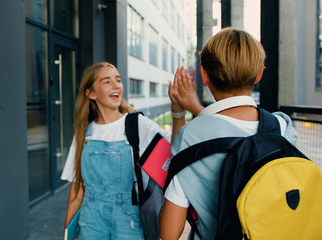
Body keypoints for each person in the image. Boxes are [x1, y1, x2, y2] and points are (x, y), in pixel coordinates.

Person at [159, 27, 300, 239]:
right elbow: (238, 135)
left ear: (204, 75)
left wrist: (179, 113)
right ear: (259, 74)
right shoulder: (281, 127)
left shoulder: (190, 138)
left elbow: (169, 233)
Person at [61, 62, 189, 239]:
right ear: (91, 93)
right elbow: (77, 190)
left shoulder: (136, 124)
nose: (116, 85)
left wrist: (177, 111)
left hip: (128, 220)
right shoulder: (84, 134)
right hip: (90, 219)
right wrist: (67, 234)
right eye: (107, 82)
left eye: (118, 80)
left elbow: (178, 145)